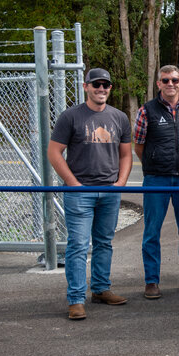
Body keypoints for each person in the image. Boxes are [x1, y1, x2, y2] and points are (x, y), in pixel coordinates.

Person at [47, 68, 132, 320]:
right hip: (80, 193)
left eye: (106, 85)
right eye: (96, 84)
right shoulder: (70, 117)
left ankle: (101, 289)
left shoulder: (119, 118)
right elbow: (54, 152)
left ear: (110, 88)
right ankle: (75, 299)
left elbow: (126, 154)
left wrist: (120, 183)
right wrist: (73, 183)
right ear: (86, 87)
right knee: (78, 246)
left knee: (104, 242)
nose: (101, 89)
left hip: (109, 191)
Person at [134, 65, 179, 300]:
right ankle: (151, 280)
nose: (170, 83)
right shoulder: (146, 111)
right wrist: (154, 163)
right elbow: (139, 145)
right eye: (165, 80)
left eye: (175, 80)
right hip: (156, 178)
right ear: (158, 84)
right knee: (151, 232)